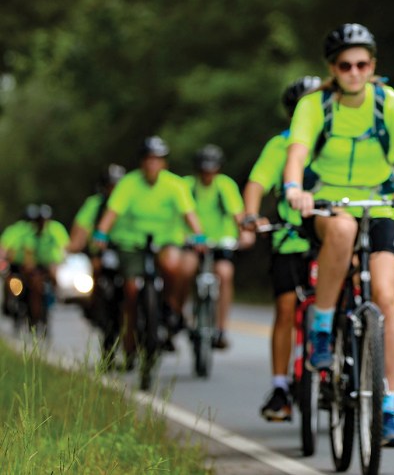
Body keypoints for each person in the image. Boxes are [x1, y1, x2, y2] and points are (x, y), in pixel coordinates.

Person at [283, 23, 394, 447]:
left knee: (386, 298)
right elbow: (297, 152)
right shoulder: (315, 105)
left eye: (362, 64)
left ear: (373, 65)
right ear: (332, 69)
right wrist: (294, 189)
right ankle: (321, 323)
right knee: (342, 227)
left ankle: (386, 407)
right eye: (344, 65)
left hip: (380, 204)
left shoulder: (391, 103)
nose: (354, 72)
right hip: (326, 205)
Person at [243, 75, 321, 422]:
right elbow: (257, 183)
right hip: (291, 239)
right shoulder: (282, 145)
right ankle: (279, 386)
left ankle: (358, 362)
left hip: (332, 236)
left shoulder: (336, 139)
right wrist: (251, 215)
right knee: (286, 306)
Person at [93, 136, 205, 366]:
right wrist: (101, 234)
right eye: (148, 160)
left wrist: (199, 235)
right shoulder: (129, 184)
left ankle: (169, 307)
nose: (153, 165)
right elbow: (111, 213)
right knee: (131, 288)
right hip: (134, 245)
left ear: (164, 163)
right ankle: (132, 337)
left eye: (158, 160)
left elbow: (189, 214)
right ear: (142, 162)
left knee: (173, 264)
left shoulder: (175, 185)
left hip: (165, 241)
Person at [180, 144, 253, 350]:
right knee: (185, 269)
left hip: (221, 241)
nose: (208, 174)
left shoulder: (224, 185)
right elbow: (178, 214)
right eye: (204, 169)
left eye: (212, 169)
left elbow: (237, 214)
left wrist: (244, 233)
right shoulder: (187, 185)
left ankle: (221, 328)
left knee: (225, 273)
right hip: (193, 241)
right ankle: (180, 314)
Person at [67, 164, 127, 363]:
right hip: (102, 254)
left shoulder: (131, 202)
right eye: (111, 186)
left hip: (129, 251)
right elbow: (80, 231)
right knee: (97, 272)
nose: (114, 191)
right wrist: (71, 247)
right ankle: (95, 307)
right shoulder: (94, 205)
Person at [14, 204, 70, 329]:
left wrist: (60, 261)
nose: (42, 223)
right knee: (35, 285)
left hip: (50, 263)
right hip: (36, 264)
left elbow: (64, 247)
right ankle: (35, 313)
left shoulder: (55, 229)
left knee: (54, 274)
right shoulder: (30, 232)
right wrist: (29, 266)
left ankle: (56, 295)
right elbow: (28, 253)